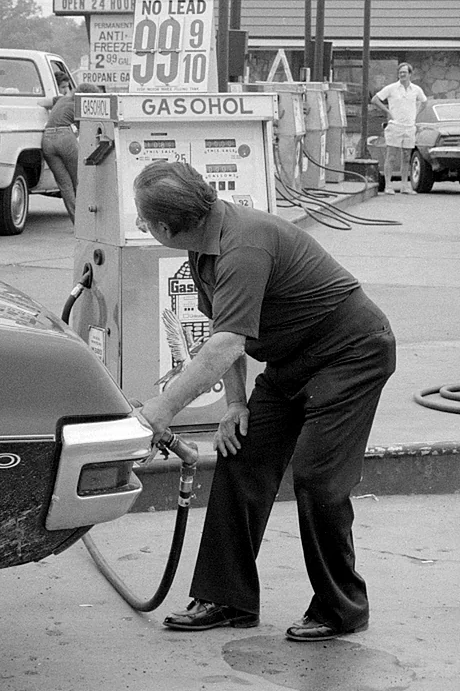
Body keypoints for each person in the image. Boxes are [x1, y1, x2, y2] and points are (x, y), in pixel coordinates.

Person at [133, 161, 396, 642]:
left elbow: (226, 344)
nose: (140, 226)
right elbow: (225, 331)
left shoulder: (243, 245)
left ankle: (342, 608)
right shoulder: (204, 244)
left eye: (143, 220)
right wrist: (235, 405)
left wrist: (159, 411)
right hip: (291, 361)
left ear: (165, 227)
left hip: (350, 354)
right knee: (242, 454)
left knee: (317, 477)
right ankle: (227, 598)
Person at [41, 79, 100, 223]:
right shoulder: (79, 106)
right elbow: (87, 131)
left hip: (47, 139)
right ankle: (86, 222)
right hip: (65, 137)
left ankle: (76, 221)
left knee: (64, 185)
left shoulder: (61, 100)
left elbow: (43, 102)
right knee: (79, 180)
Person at [371, 63, 427, 194]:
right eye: (400, 72)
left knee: (407, 156)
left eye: (405, 72)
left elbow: (424, 102)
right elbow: (375, 99)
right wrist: (388, 111)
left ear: (410, 74)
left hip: (409, 127)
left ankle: (404, 186)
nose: (402, 75)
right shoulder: (391, 88)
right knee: (391, 156)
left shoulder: (416, 89)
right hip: (395, 126)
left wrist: (415, 114)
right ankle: (388, 186)